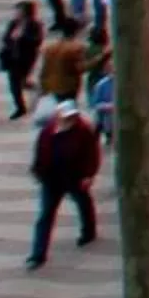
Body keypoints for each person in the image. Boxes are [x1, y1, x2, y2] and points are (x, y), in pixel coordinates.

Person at [26, 101, 102, 268]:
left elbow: (92, 153)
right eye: (66, 116)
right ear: (58, 115)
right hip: (51, 179)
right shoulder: (48, 130)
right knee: (45, 215)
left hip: (74, 176)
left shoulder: (83, 130)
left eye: (72, 116)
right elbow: (40, 150)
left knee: (83, 202)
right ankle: (38, 255)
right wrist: (38, 170)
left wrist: (88, 175)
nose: (69, 119)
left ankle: (88, 231)